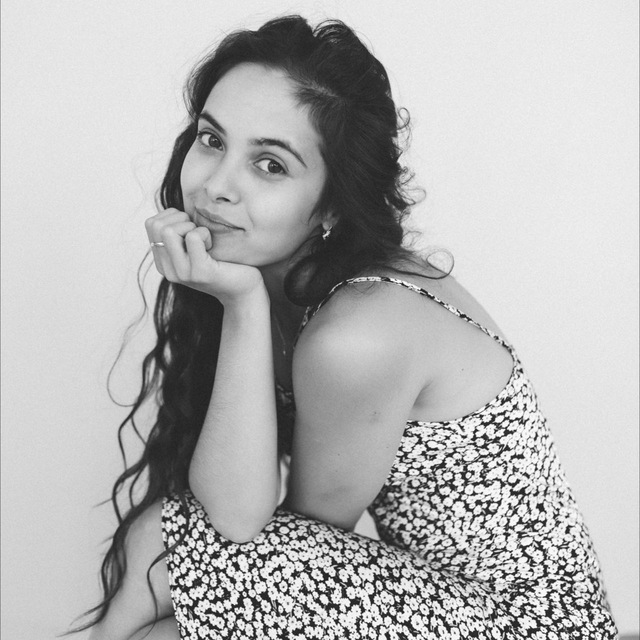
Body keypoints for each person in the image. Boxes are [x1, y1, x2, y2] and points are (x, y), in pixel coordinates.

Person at [79, 15, 617, 640]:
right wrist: (242, 301)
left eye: (270, 165)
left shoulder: (357, 334)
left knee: (162, 558)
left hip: (530, 624)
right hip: (437, 599)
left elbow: (263, 538)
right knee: (158, 542)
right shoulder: (292, 281)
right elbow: (241, 526)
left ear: (333, 201)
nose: (216, 187)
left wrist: (243, 305)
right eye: (211, 139)